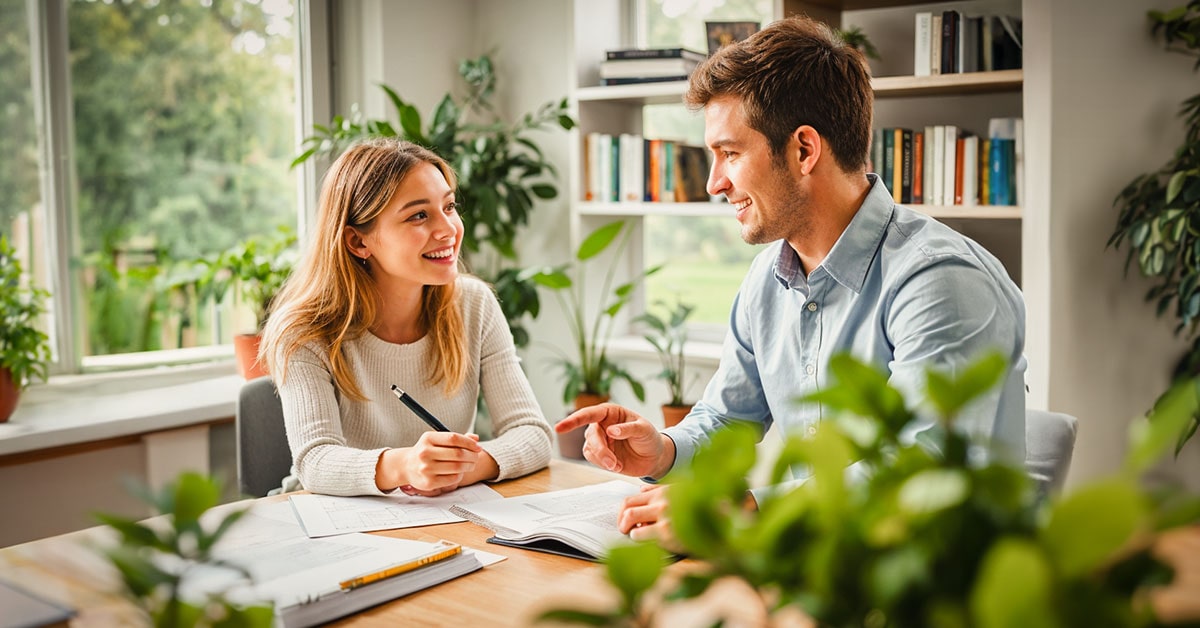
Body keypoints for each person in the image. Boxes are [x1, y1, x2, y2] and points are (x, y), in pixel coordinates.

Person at [556, 15, 1026, 546]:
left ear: (804, 149)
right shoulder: (768, 279)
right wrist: (661, 450)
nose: (714, 183)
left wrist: (743, 510)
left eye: (729, 154)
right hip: (821, 572)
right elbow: (724, 417)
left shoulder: (940, 281)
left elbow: (916, 475)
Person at [260, 137, 552, 497]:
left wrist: (466, 468)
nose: (448, 229)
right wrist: (405, 467)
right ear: (357, 242)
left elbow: (533, 434)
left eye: (448, 207)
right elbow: (315, 462)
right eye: (418, 215)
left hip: (440, 517)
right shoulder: (303, 330)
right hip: (327, 521)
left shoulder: (474, 304)